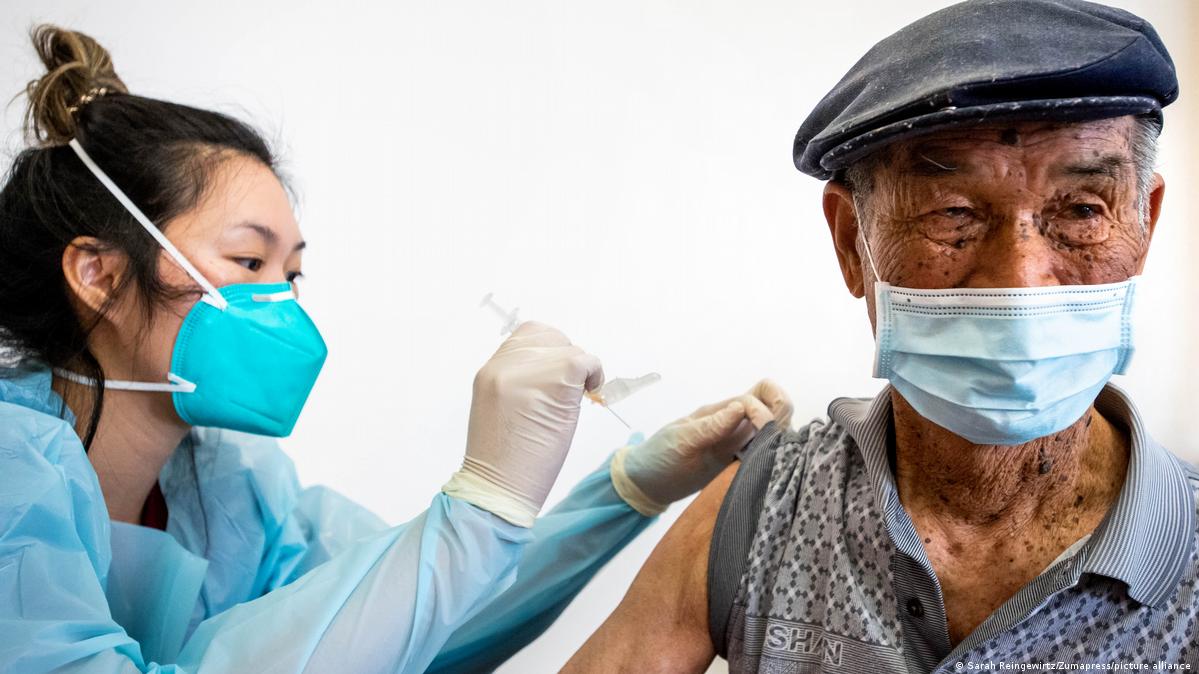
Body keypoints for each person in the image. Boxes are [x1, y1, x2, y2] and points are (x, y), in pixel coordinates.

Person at [0, 26, 793, 673]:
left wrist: (622, 492)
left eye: (291, 274)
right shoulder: (10, 478)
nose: (282, 305)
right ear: (99, 274)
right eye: (247, 262)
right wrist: (478, 499)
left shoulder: (234, 491)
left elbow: (421, 633)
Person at [564, 1, 1199, 671]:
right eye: (952, 213)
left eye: (1081, 210)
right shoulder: (765, 510)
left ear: (1144, 225)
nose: (1021, 279)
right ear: (850, 244)